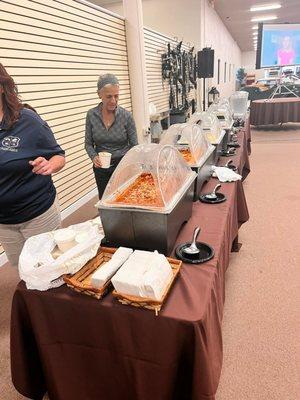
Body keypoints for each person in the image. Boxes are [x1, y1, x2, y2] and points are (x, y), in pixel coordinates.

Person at [0, 63, 66, 267]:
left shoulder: (26, 119)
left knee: (51, 269)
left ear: (2, 86)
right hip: (5, 222)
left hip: (38, 214)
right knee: (24, 271)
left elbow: (59, 156)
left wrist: (49, 166)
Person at [85, 73, 138, 199]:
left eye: (116, 96)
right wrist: (94, 157)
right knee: (105, 200)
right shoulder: (91, 115)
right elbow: (88, 144)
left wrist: (129, 165)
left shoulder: (126, 116)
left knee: (124, 199)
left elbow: (135, 146)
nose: (113, 101)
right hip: (101, 168)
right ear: (99, 95)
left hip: (122, 167)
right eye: (109, 96)